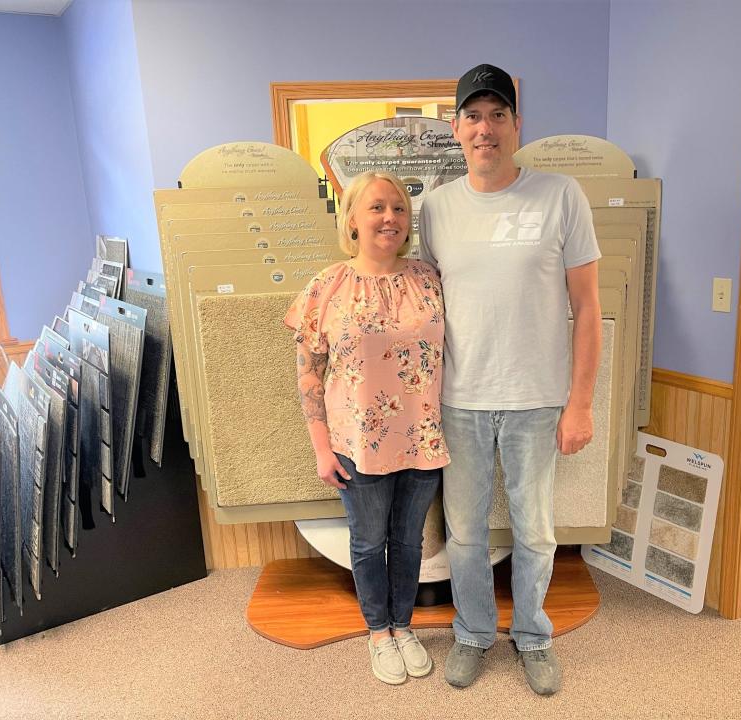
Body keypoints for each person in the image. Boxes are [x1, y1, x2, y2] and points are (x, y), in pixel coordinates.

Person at [418, 63, 602, 696]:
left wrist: (581, 403)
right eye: (473, 116)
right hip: (459, 401)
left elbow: (589, 310)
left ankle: (533, 635)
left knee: (536, 533)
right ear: (456, 127)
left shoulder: (560, 196)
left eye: (498, 115)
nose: (485, 128)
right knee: (465, 534)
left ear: (517, 125)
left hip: (537, 400)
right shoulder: (434, 210)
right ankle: (472, 632)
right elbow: (422, 308)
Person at [284, 171, 449, 685]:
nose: (389, 218)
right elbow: (309, 371)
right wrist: (320, 449)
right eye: (377, 208)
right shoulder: (327, 287)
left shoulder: (429, 278)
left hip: (422, 438)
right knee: (367, 539)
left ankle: (404, 626)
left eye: (399, 209)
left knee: (408, 542)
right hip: (358, 445)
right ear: (352, 219)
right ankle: (378, 631)